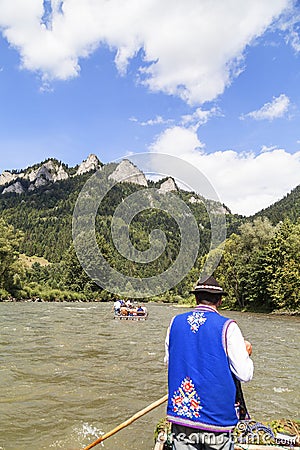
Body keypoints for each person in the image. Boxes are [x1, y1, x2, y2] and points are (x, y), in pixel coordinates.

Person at [164, 275, 253, 450]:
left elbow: (170, 362)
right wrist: (246, 353)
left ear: (196, 298)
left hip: (182, 417)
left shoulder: (175, 323)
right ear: (220, 301)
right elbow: (244, 374)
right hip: (216, 420)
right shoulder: (228, 327)